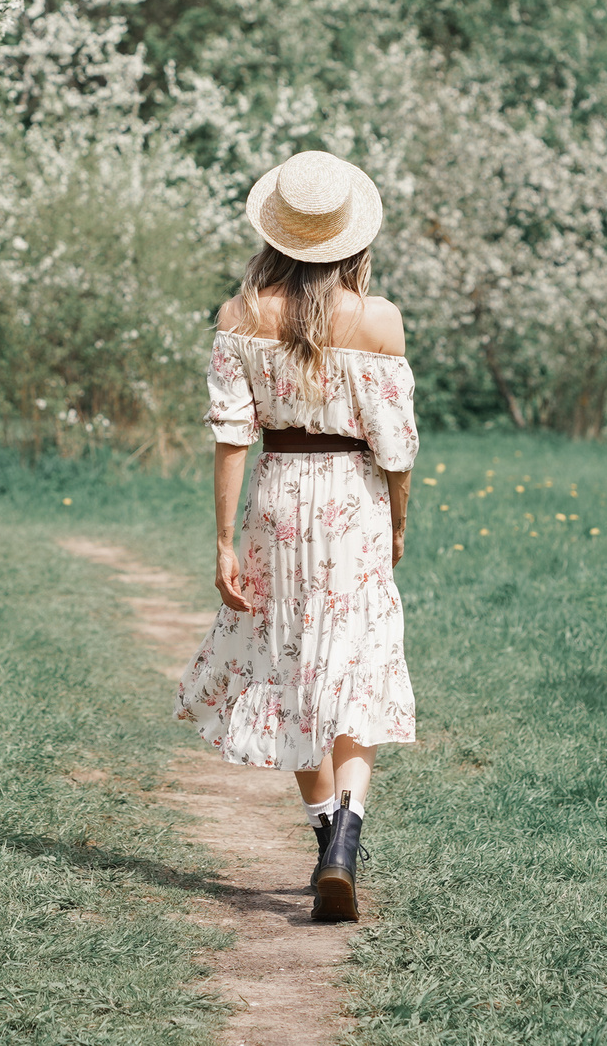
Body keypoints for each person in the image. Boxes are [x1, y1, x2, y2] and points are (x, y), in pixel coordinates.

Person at [173, 150, 418, 924]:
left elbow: (230, 437)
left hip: (276, 499)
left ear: (276, 232)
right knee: (355, 663)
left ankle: (324, 840)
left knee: (292, 664)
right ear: (353, 236)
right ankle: (346, 836)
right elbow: (395, 446)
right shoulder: (377, 319)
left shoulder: (240, 316)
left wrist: (223, 542)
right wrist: (399, 520)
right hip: (352, 501)